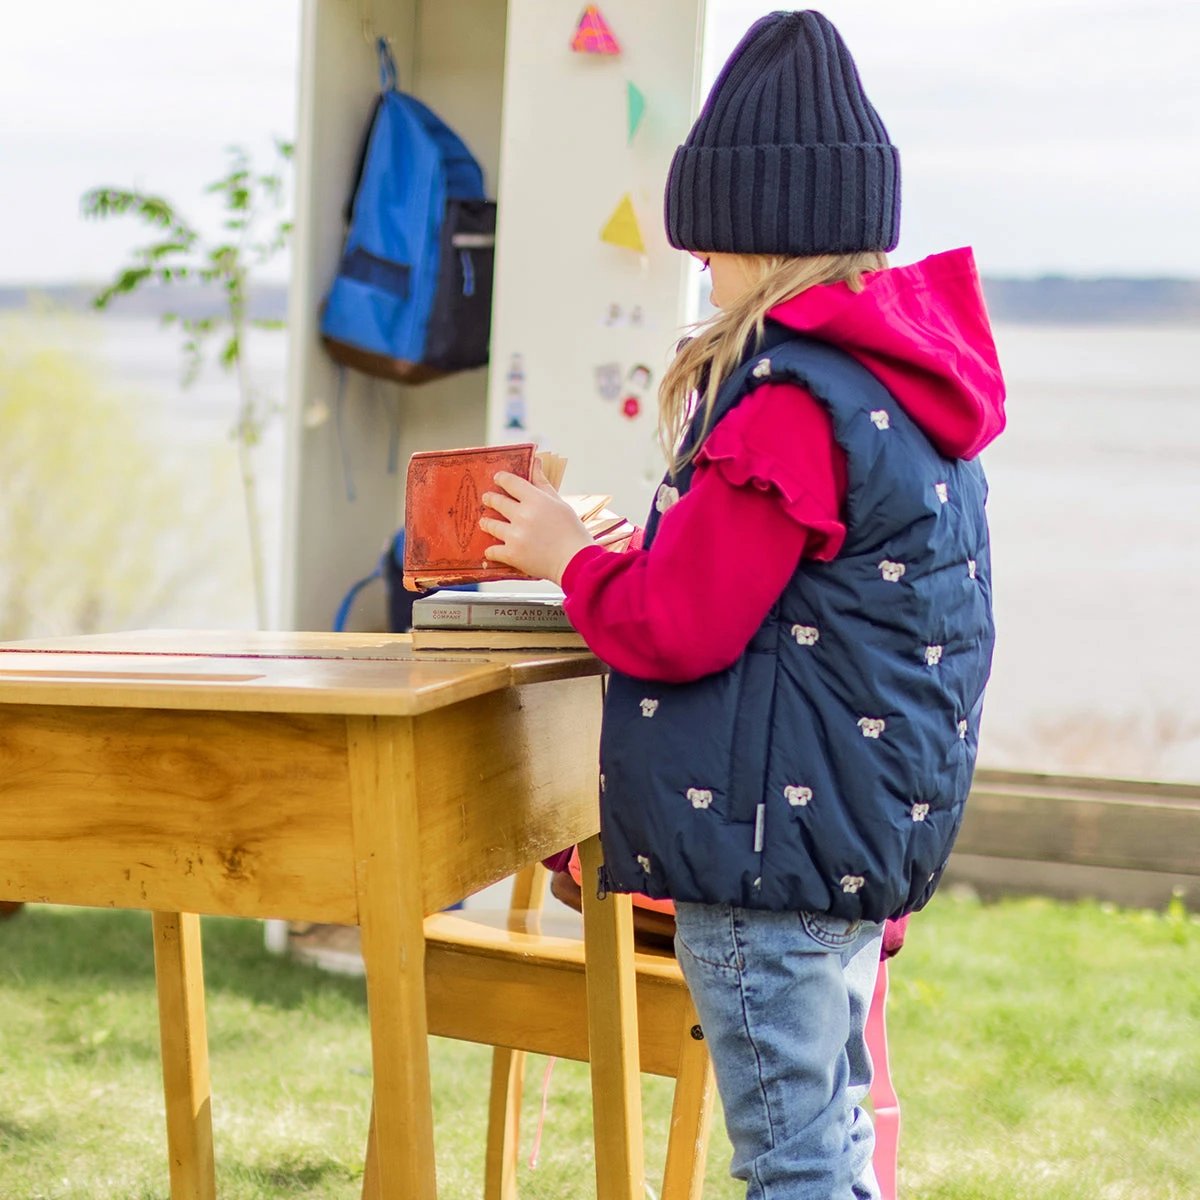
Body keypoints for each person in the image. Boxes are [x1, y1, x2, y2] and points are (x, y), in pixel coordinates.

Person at [480, 11, 1005, 1198]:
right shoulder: (901, 389)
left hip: (767, 861)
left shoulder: (784, 405)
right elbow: (782, 594)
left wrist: (568, 555)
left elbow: (678, 626)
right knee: (828, 1140)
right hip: (849, 843)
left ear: (765, 240)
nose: (701, 275)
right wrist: (646, 557)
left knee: (793, 1160)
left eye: (709, 253)